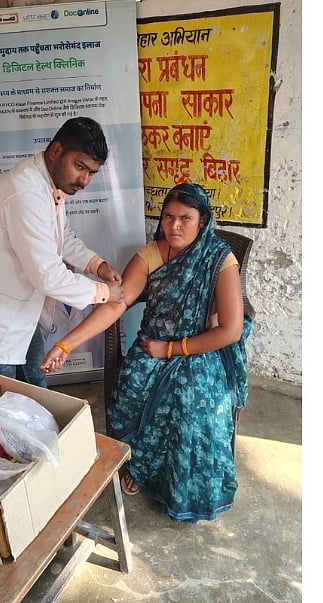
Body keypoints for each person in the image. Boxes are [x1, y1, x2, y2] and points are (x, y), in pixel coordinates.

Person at [40, 183, 252, 522]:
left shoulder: (219, 259)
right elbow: (116, 304)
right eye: (169, 216)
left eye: (186, 218)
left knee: (190, 400)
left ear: (203, 221)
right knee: (133, 385)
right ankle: (141, 464)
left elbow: (230, 330)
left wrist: (172, 349)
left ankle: (178, 483)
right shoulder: (151, 254)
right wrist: (67, 344)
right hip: (153, 344)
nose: (175, 226)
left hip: (200, 347)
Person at [0, 117, 125, 388]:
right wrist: (104, 293)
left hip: (20, 314)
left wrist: (96, 265)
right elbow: (49, 277)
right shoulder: (25, 193)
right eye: (80, 167)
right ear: (56, 152)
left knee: (35, 385)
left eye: (92, 173)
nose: (85, 180)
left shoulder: (51, 186)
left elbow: (63, 238)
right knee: (6, 404)